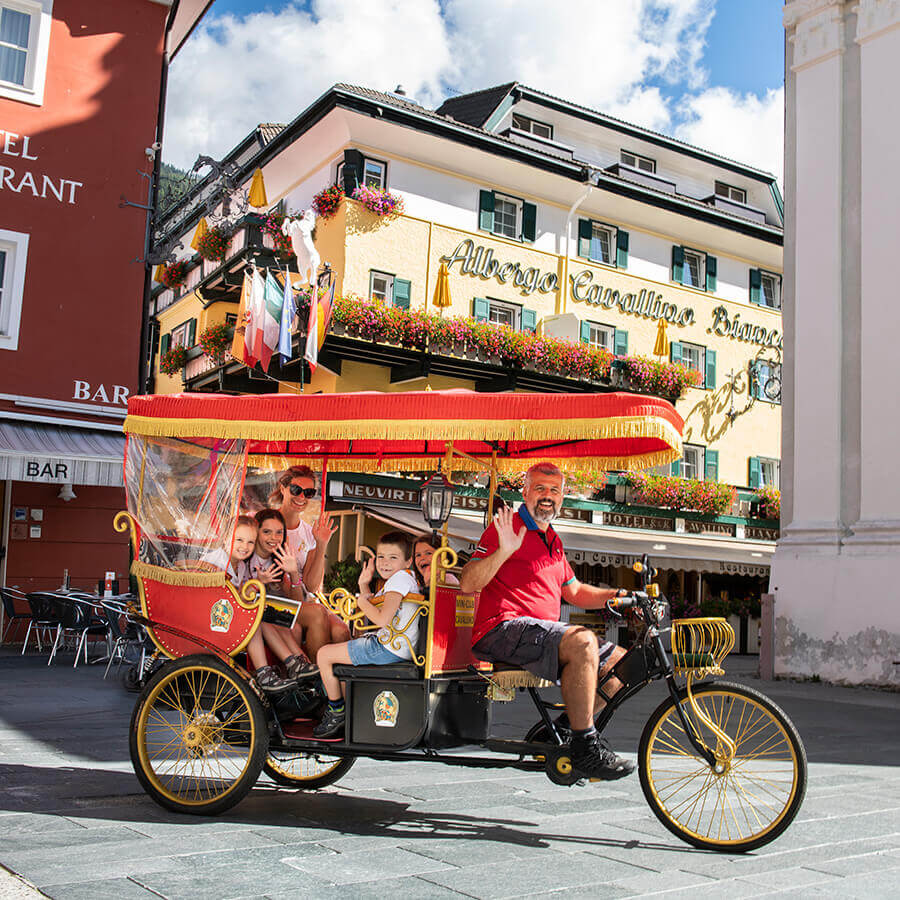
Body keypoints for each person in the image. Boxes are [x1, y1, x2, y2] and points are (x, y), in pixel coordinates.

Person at [459, 461, 635, 781]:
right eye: (539, 488)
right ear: (524, 492)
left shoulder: (552, 539)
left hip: (539, 633)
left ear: (562, 498)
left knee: (625, 665)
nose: (547, 496)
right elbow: (468, 583)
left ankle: (563, 731)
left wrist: (621, 595)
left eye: (554, 491)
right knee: (581, 640)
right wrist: (503, 551)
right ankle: (585, 747)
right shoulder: (509, 526)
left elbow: (576, 592)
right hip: (502, 628)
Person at [313, 531, 422, 738]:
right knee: (340, 652)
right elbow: (376, 606)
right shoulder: (403, 579)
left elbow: (381, 619)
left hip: (387, 648)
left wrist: (361, 601)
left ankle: (336, 711)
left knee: (324, 655)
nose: (385, 563)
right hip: (395, 646)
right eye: (381, 557)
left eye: (393, 557)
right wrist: (364, 584)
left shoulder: (399, 580)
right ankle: (346, 709)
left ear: (408, 561)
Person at [202, 516, 299, 693]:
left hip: (227, 616)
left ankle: (292, 662)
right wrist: (257, 584)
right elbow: (225, 600)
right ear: (225, 539)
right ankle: (266, 672)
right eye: (239, 540)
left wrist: (258, 583)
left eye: (250, 542)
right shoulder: (215, 562)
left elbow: (239, 599)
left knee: (265, 616)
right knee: (254, 618)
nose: (244, 547)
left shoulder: (239, 566)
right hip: (212, 621)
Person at [270, 466, 350, 657]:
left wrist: (322, 544)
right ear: (283, 488)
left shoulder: (308, 532)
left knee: (342, 631)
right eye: (296, 490)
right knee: (317, 613)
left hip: (302, 598)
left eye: (309, 493)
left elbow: (312, 586)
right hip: (277, 598)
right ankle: (317, 678)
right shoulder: (269, 526)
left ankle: (337, 685)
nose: (302, 498)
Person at [248, 508, 318, 681]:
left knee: (295, 626)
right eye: (267, 532)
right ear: (257, 533)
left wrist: (294, 573)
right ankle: (295, 669)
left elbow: (296, 603)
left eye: (279, 532)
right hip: (250, 615)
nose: (274, 538)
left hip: (270, 614)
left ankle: (297, 673)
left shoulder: (279, 559)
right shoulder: (246, 553)